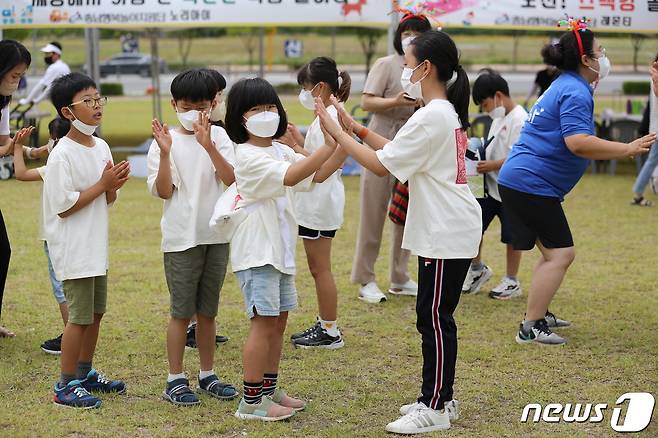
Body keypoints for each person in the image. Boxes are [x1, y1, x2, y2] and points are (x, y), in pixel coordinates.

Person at [316, 30, 482, 434]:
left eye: (407, 64)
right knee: (432, 315)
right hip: (446, 226)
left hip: (446, 228)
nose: (404, 71)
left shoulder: (431, 116)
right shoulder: (438, 113)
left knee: (435, 318)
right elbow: (390, 150)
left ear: (426, 68)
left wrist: (337, 133)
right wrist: (352, 125)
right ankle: (437, 396)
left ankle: (438, 406)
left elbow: (379, 165)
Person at [497, 20, 656, 346]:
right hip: (531, 183)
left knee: (552, 252)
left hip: (522, 180)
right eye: (600, 52)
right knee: (561, 254)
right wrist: (626, 148)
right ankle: (531, 327)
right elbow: (578, 141)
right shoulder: (574, 90)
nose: (604, 57)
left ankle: (537, 314)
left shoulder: (564, 83)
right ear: (586, 60)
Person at [225, 77, 345, 421]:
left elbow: (319, 173)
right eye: (255, 109)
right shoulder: (246, 155)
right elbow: (293, 176)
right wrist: (332, 138)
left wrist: (340, 137)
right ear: (239, 117)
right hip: (257, 251)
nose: (265, 114)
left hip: (279, 251)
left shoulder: (279, 149)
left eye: (269, 107)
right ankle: (251, 402)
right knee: (263, 324)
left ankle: (268, 387)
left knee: (278, 322)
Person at [147, 69, 238, 406]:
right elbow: (164, 190)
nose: (195, 113)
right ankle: (175, 378)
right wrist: (167, 152)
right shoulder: (164, 143)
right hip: (180, 239)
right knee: (181, 313)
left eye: (202, 106)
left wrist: (209, 145)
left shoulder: (221, 137)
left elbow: (231, 180)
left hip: (215, 236)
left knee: (209, 313)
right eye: (187, 106)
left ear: (213, 105)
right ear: (173, 105)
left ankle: (207, 374)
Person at [46, 72, 130, 408]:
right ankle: (65, 385)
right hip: (74, 248)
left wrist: (111, 187)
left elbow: (107, 200)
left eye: (99, 99)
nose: (97, 106)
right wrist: (102, 184)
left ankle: (85, 372)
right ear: (68, 112)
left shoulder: (102, 146)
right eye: (89, 101)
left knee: (95, 314)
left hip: (96, 245)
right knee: (78, 318)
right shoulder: (61, 154)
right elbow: (63, 207)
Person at [351, 12, 431, 303]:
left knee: (405, 212)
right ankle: (365, 278)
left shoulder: (426, 68)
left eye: (417, 33)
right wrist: (395, 101)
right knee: (373, 211)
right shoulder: (386, 64)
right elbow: (366, 101)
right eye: (406, 32)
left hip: (411, 143)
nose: (410, 37)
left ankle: (400, 275)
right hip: (380, 137)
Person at [283, 57, 351, 349]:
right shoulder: (330, 115)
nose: (303, 93)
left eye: (305, 88)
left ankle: (330, 330)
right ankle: (326, 324)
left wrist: (294, 147)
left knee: (320, 268)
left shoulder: (330, 118)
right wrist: (299, 143)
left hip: (319, 203)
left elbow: (321, 170)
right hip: (319, 202)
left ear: (320, 87)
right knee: (318, 268)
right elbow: (320, 158)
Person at [462, 70, 527, 299]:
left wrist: (492, 164)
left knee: (512, 237)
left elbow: (519, 156)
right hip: (488, 187)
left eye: (486, 103)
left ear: (498, 95)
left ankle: (512, 280)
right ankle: (477, 269)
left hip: (510, 190)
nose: (486, 109)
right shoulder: (499, 117)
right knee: (473, 227)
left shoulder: (520, 119)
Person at [12, 117, 72, 354]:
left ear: (55, 140)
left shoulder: (55, 166)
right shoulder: (77, 155)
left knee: (61, 287)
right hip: (72, 233)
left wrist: (17, 148)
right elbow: (37, 152)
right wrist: (24, 145)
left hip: (55, 235)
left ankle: (70, 335)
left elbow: (21, 173)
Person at [184, 67, 230, 350]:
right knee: (189, 281)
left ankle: (201, 326)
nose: (220, 100)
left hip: (214, 223)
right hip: (189, 223)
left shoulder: (220, 132)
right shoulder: (181, 136)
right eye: (218, 95)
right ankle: (192, 327)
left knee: (208, 283)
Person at [0, 39, 31, 338]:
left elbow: (5, 145)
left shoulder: (4, 103)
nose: (17, 82)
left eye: (21, 76)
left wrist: (29, 149)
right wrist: (16, 147)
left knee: (2, 251)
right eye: (14, 75)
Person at [630, 53, 658, 207]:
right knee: (652, 160)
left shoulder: (654, 73)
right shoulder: (656, 75)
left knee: (652, 160)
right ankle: (638, 193)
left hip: (655, 125)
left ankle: (638, 193)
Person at [19, 42, 70, 107]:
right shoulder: (65, 66)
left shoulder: (54, 67)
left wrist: (28, 100)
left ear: (56, 54)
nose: (46, 56)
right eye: (45, 54)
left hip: (62, 100)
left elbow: (42, 86)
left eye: (48, 54)